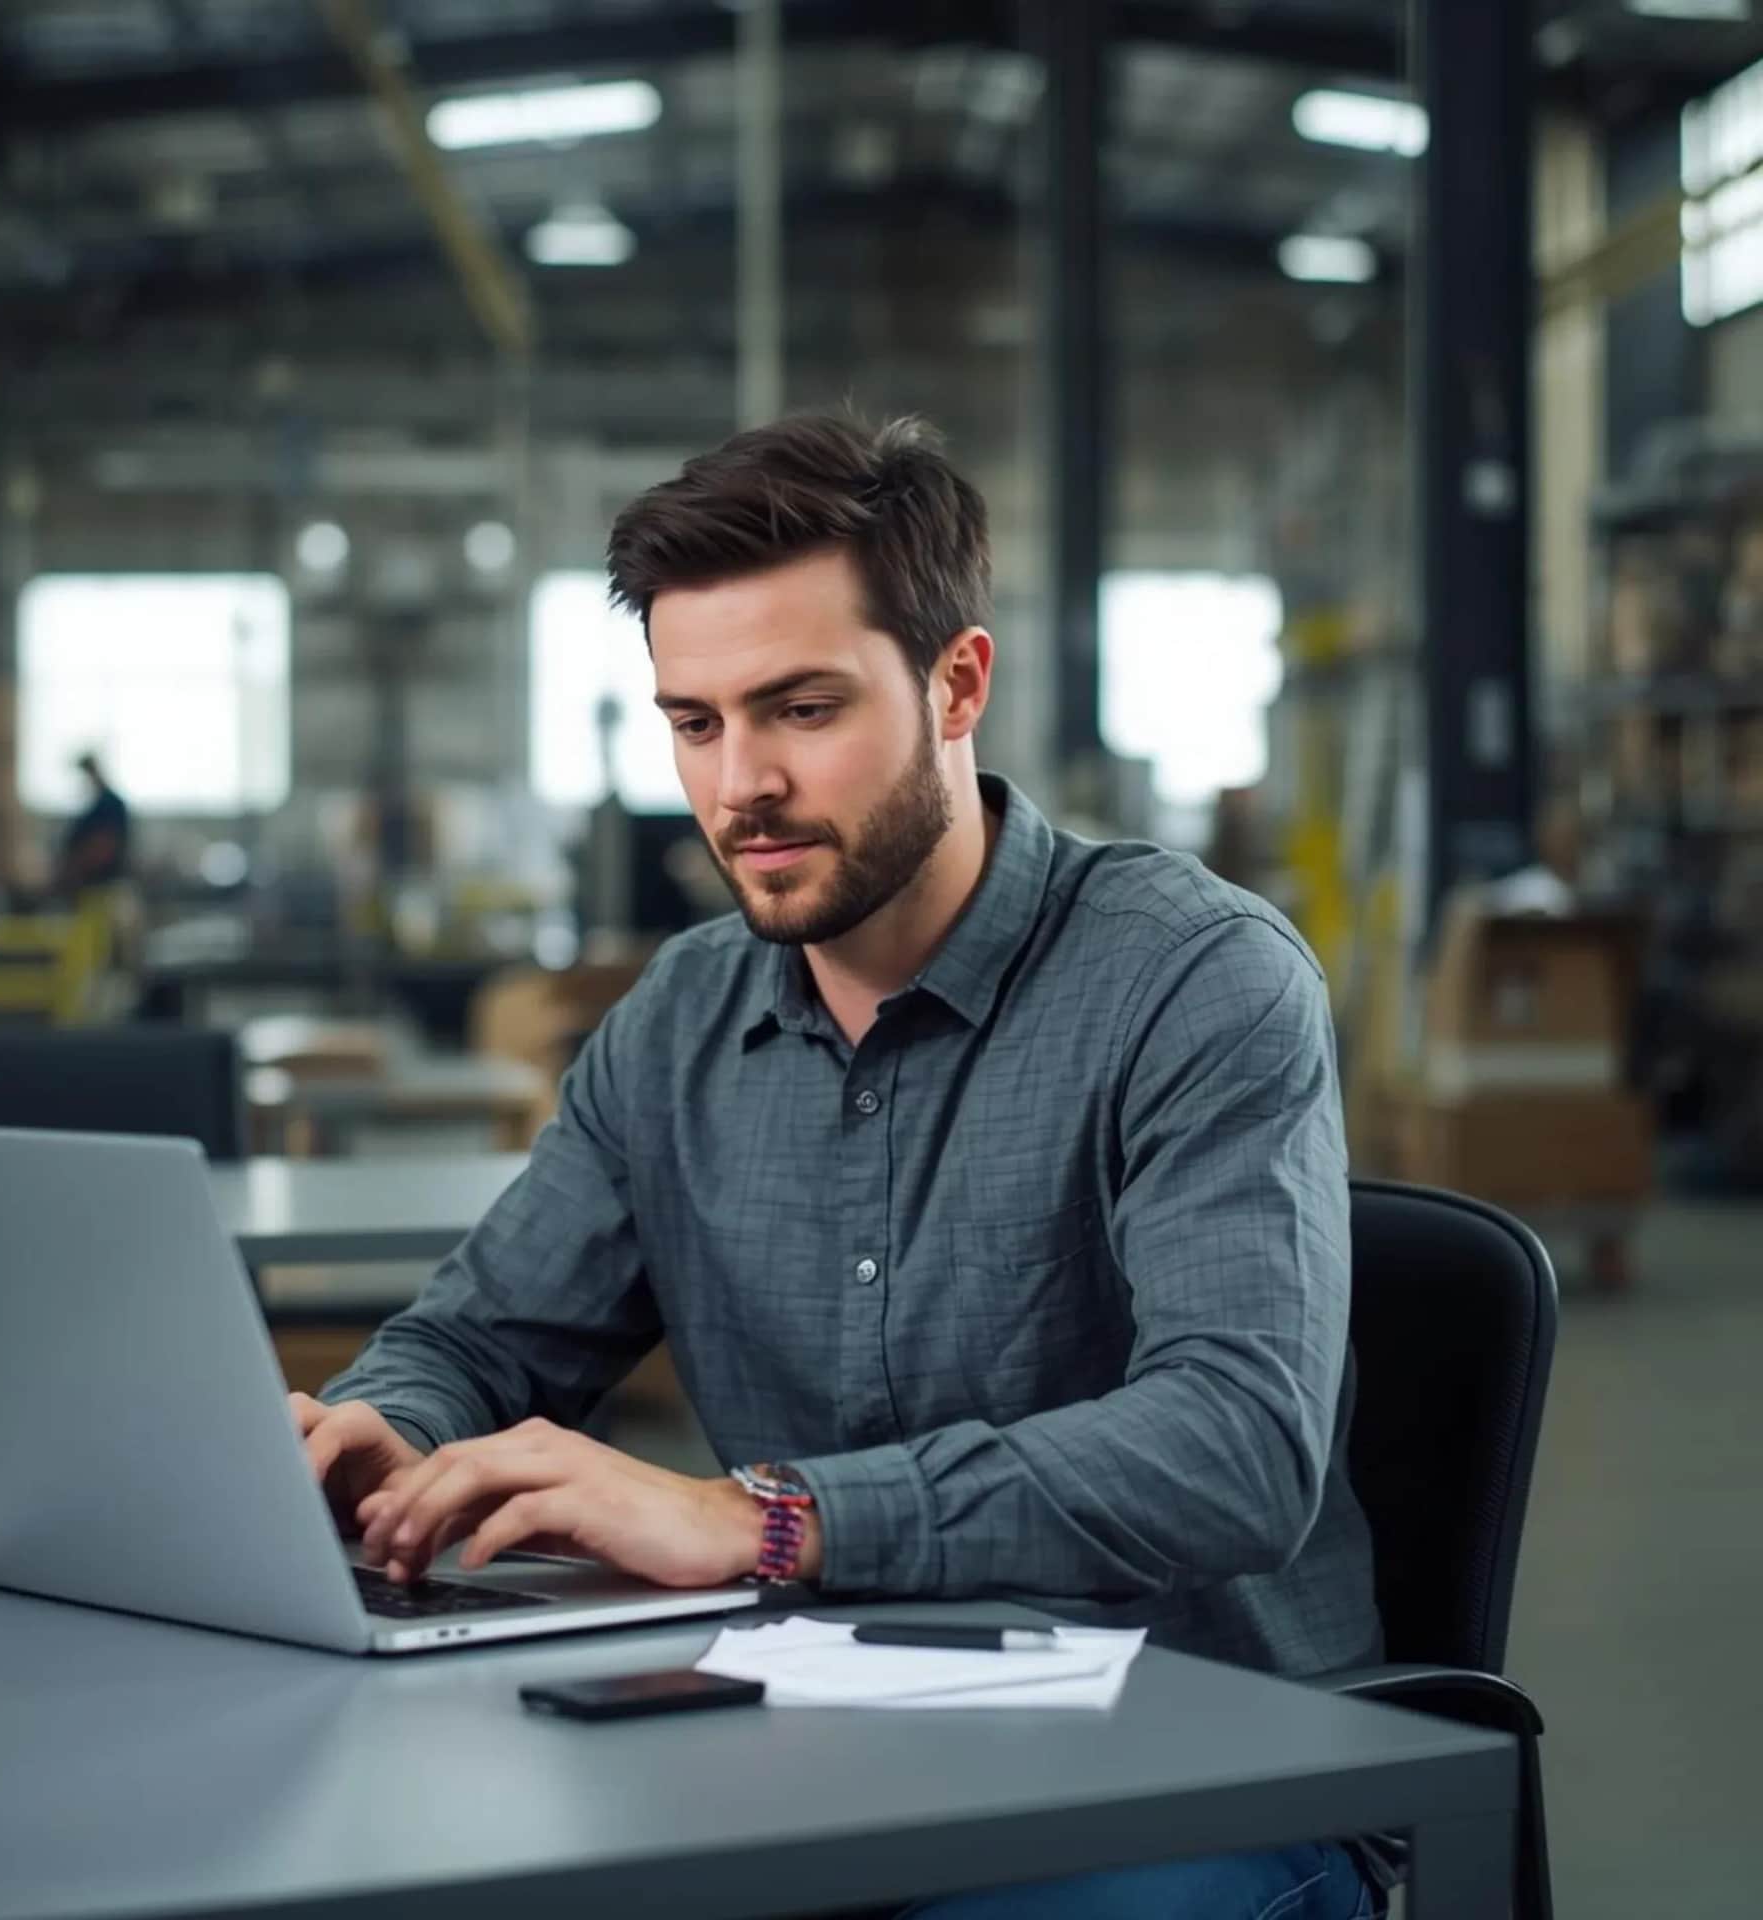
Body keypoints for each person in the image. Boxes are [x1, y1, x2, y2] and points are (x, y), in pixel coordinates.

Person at [298, 415, 1384, 1920]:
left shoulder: (1194, 981)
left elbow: (1236, 1445)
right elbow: (484, 1338)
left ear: (958, 684)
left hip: (1183, 1759)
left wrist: (764, 1517)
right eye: (695, 724)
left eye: (799, 709)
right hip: (809, 1738)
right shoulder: (676, 1020)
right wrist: (379, 1430)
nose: (739, 786)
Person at [56, 751, 132, 897]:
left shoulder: (109, 805)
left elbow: (104, 845)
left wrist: (76, 869)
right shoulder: (92, 806)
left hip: (100, 887)